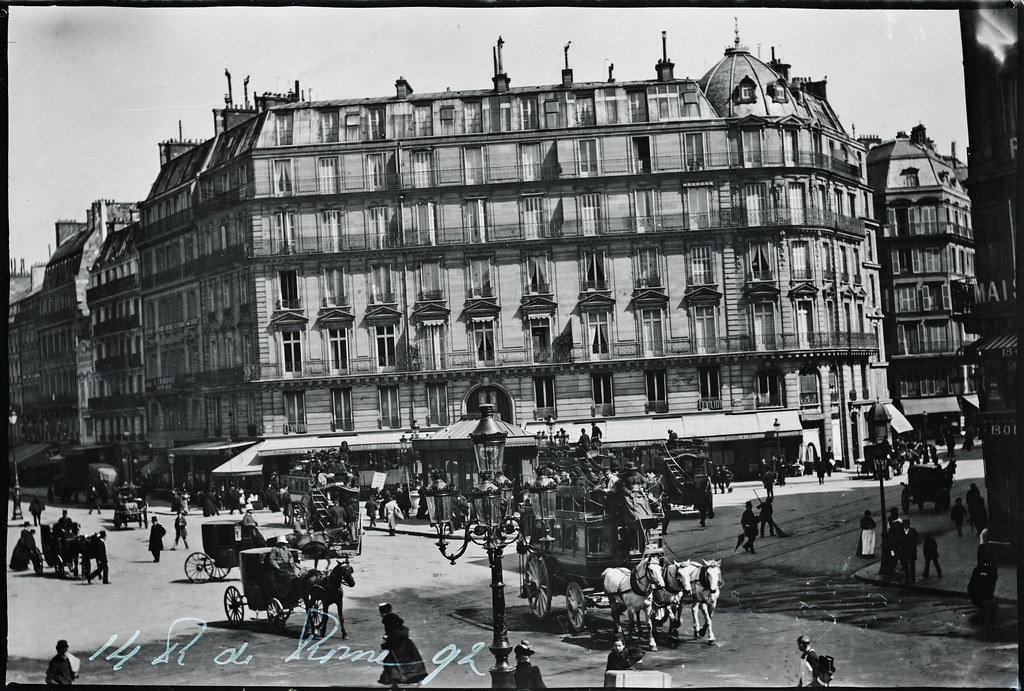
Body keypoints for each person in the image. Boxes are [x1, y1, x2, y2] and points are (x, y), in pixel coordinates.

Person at [377, 603, 428, 686]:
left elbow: (393, 633)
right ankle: (413, 680)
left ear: (382, 612)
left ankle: (395, 682)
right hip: (406, 645)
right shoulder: (395, 618)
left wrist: (386, 639)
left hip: (397, 646)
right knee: (409, 661)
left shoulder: (387, 620)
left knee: (391, 662)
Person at [900, 518, 919, 584]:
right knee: (905, 565)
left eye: (907, 524)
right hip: (904, 551)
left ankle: (913, 578)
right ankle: (907, 577)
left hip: (911, 550)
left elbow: (917, 539)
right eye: (904, 524)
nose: (906, 526)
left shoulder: (913, 531)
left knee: (912, 564)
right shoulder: (900, 532)